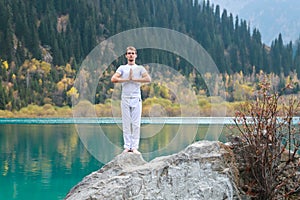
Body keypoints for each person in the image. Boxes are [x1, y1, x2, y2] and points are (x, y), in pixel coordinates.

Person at [111, 46, 151, 154]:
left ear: (136, 55)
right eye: (129, 53)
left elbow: (148, 79)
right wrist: (126, 79)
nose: (131, 55)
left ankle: (134, 147)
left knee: (136, 124)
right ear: (126, 55)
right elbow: (113, 79)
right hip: (125, 98)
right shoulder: (122, 68)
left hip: (136, 98)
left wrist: (134, 79)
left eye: (133, 53)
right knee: (126, 123)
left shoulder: (140, 68)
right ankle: (127, 146)